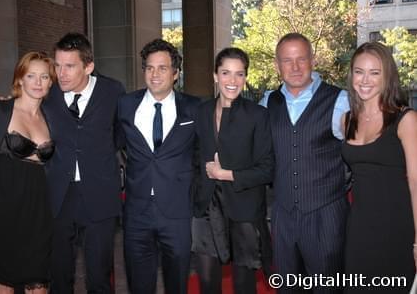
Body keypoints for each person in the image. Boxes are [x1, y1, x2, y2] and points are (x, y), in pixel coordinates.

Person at [259, 33, 350, 293]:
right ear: (278, 65)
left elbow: (361, 155)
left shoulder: (340, 101)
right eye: (287, 60)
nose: (295, 67)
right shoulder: (267, 103)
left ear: (312, 60)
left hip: (327, 216)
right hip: (283, 216)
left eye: (301, 59)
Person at [0, 51, 56, 293]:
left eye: (44, 77)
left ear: (51, 82)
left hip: (38, 209)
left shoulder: (52, 117)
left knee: (39, 281)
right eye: (31, 75)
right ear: (20, 79)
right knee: (3, 282)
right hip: (0, 206)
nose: (38, 82)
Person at [42, 32, 125, 293]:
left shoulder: (113, 91)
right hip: (57, 197)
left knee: (99, 277)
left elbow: (120, 136)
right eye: (57, 65)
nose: (61, 73)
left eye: (69, 66)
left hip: (100, 195)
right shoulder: (47, 94)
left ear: (88, 66)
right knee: (58, 276)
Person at [118, 39, 200, 294]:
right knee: (139, 285)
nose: (155, 74)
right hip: (136, 212)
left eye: (163, 68)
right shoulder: (125, 105)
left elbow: (202, 151)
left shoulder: (195, 108)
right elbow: (112, 143)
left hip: (177, 213)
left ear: (175, 73)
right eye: (150, 67)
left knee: (177, 284)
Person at [192, 47, 274, 294]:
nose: (232, 81)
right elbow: (193, 159)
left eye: (239, 74)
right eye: (226, 73)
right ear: (215, 75)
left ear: (245, 78)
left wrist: (225, 174)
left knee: (243, 285)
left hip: (244, 210)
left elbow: (267, 169)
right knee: (207, 282)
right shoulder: (200, 112)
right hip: (206, 210)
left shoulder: (258, 115)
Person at [342, 41, 417, 293]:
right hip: (359, 229)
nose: (365, 80)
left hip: (397, 229)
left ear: (387, 77)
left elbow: (416, 184)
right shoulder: (347, 120)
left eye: (375, 73)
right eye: (359, 71)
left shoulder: (406, 119)